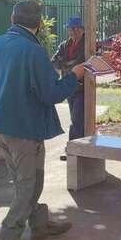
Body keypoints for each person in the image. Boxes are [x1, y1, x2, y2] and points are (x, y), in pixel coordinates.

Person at [0, 0, 86, 240]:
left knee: (27, 181)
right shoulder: (34, 51)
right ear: (40, 23)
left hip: (0, 125)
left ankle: (39, 223)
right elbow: (50, 93)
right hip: (24, 129)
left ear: (12, 19)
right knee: (27, 186)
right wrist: (74, 75)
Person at [51, 16, 86, 161]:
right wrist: (70, 65)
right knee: (75, 118)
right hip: (69, 87)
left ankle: (72, 149)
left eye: (75, 28)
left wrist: (66, 64)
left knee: (77, 119)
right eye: (70, 28)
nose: (72, 31)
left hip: (83, 87)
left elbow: (83, 62)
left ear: (82, 29)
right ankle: (78, 148)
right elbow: (54, 61)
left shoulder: (88, 44)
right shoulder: (64, 45)